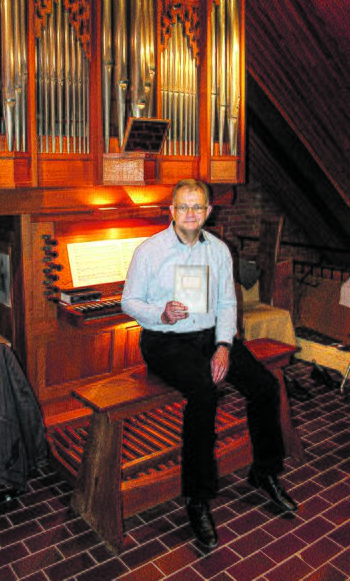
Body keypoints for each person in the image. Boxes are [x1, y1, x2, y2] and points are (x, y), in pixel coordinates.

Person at [121, 179, 298, 549]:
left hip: (209, 338)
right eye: (183, 207)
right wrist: (161, 313)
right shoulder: (149, 251)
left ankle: (264, 472)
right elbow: (130, 302)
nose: (190, 214)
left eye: (197, 207)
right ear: (171, 211)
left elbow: (226, 303)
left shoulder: (218, 250)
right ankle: (198, 498)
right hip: (165, 339)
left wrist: (223, 345)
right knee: (203, 392)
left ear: (208, 212)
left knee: (265, 387)